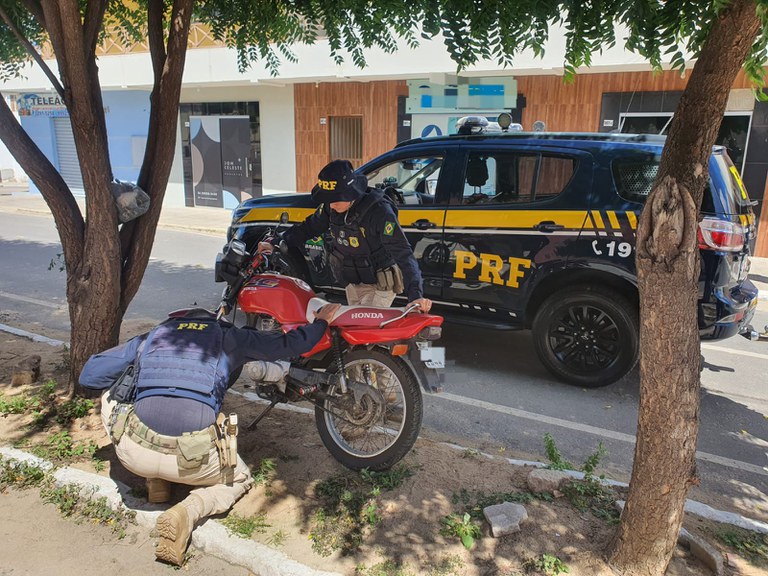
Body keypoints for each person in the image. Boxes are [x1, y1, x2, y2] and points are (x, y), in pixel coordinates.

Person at [78, 304, 339, 566]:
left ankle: (156, 479)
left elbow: (90, 376)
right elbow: (290, 345)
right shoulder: (228, 336)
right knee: (239, 478)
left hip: (136, 455)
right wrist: (321, 323)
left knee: (111, 396)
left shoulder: (154, 336)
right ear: (212, 322)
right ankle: (187, 513)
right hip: (196, 461)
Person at [271, 159, 433, 311]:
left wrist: (415, 296)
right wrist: (277, 241)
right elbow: (308, 228)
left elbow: (403, 254)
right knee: (355, 333)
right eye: (328, 199)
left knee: (366, 333)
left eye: (336, 198)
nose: (332, 204)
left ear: (352, 192)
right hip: (353, 281)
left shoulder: (379, 211)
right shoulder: (331, 208)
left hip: (379, 284)